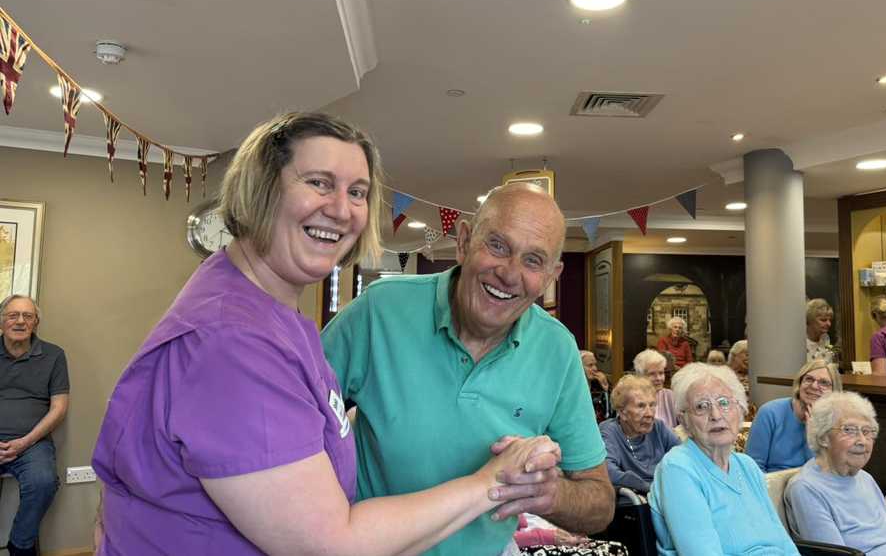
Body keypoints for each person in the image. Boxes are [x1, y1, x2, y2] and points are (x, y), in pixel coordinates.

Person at [91, 113, 554, 556]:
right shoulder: (235, 342)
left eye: (357, 192)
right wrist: (492, 480)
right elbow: (331, 544)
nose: (340, 209)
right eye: (318, 183)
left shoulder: (268, 309)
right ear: (262, 188)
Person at [321, 182, 615, 555]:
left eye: (532, 260)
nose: (510, 274)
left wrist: (548, 493)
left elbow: (600, 500)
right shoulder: (380, 311)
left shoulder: (557, 349)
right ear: (463, 241)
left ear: (552, 277)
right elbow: (291, 421)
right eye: (498, 246)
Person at [649, 363, 799, 556]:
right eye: (701, 406)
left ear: (740, 409)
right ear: (684, 419)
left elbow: (782, 539)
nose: (716, 415)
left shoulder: (747, 465)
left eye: (724, 403)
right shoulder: (678, 468)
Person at [785, 392, 886, 556]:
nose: (862, 441)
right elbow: (835, 555)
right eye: (850, 430)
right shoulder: (806, 488)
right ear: (823, 437)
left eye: (867, 432)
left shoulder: (865, 479)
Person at [0, 295, 68, 556]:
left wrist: (24, 442)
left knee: (44, 482)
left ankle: (20, 544)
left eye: (27, 316)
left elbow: (59, 407)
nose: (20, 321)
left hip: (32, 445)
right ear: (2, 321)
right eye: (12, 315)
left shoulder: (54, 355)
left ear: (36, 323)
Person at [747, 359, 841, 473]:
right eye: (809, 379)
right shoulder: (770, 413)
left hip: (814, 486)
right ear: (799, 383)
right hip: (772, 484)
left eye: (824, 383)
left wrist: (813, 434)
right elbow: (752, 468)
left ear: (834, 391)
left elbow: (825, 471)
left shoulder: (836, 421)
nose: (814, 386)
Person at [600, 375, 679, 493]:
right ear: (622, 413)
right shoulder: (609, 431)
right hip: (635, 501)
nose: (649, 414)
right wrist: (648, 487)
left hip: (666, 492)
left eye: (652, 405)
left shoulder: (658, 427)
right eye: (641, 406)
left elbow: (683, 454)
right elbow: (608, 471)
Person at [633, 348, 676, 427]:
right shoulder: (631, 398)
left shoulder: (670, 396)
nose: (658, 378)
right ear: (640, 375)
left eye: (661, 373)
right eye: (652, 374)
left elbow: (685, 426)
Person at [727, 340, 757, 420]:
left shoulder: (754, 375)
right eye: (746, 354)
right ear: (734, 355)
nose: (749, 358)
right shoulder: (723, 375)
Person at [581, 350, 611, 422]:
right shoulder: (573, 387)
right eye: (590, 365)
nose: (595, 369)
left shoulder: (598, 384)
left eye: (595, 364)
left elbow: (610, 412)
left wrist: (606, 389)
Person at [806, 299, 835, 363]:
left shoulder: (825, 338)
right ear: (810, 320)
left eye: (830, 320)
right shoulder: (800, 343)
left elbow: (829, 364)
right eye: (823, 320)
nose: (829, 324)